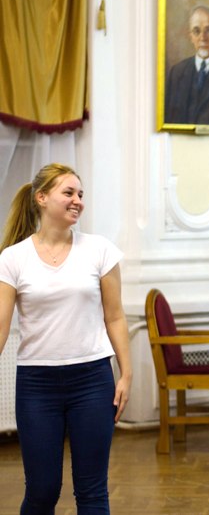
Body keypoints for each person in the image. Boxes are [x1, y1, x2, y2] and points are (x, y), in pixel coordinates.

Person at [0, 163, 132, 514]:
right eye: (69, 193)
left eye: (80, 194)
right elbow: (0, 327)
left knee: (92, 491)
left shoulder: (100, 250)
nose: (77, 201)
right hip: (36, 384)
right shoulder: (13, 258)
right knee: (42, 491)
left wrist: (126, 374)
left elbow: (115, 317)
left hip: (93, 380)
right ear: (42, 198)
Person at [164, 5, 209, 126]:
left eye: (208, 30)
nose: (203, 38)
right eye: (196, 31)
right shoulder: (176, 72)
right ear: (190, 36)